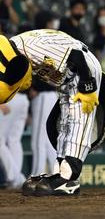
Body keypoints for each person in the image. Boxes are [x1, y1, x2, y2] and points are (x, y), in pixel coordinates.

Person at [5, 29, 103, 196]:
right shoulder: (14, 53)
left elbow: (76, 55)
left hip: (83, 68)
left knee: (78, 118)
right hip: (65, 77)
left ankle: (69, 177)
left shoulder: (31, 50)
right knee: (64, 123)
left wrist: (88, 85)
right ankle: (59, 173)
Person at [29, 11, 59, 176]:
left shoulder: (40, 40)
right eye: (50, 21)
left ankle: (36, 175)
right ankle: (57, 175)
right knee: (47, 140)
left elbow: (46, 68)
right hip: (51, 94)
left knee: (38, 140)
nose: (52, 24)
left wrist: (34, 85)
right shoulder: (47, 38)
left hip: (44, 94)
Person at [0, 91, 29, 188]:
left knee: (1, 141)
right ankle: (18, 179)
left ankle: (14, 177)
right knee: (14, 140)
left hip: (7, 98)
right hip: (22, 98)